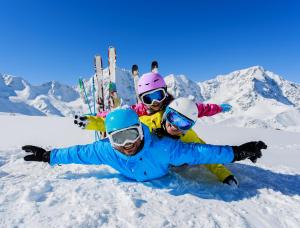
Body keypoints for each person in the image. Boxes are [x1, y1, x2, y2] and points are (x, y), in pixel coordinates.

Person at [22, 109, 267, 182]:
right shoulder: (105, 150)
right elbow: (77, 153)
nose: (128, 144)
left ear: (141, 130)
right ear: (109, 139)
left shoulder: (162, 146)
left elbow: (201, 152)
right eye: (119, 138)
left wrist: (238, 152)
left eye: (132, 135)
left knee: (187, 158)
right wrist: (48, 156)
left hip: (166, 168)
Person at [75, 98, 238, 186]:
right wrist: (92, 123)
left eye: (183, 124)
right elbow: (121, 126)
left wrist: (224, 175)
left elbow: (205, 155)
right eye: (173, 118)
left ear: (189, 127)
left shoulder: (189, 136)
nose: (174, 126)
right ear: (167, 114)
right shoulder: (148, 121)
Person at [95, 72, 231, 117]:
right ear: (142, 100)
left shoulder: (175, 107)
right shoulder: (140, 110)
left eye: (158, 95)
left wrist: (218, 108)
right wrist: (98, 116)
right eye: (148, 98)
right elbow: (120, 114)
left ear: (165, 92)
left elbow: (199, 109)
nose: (155, 102)